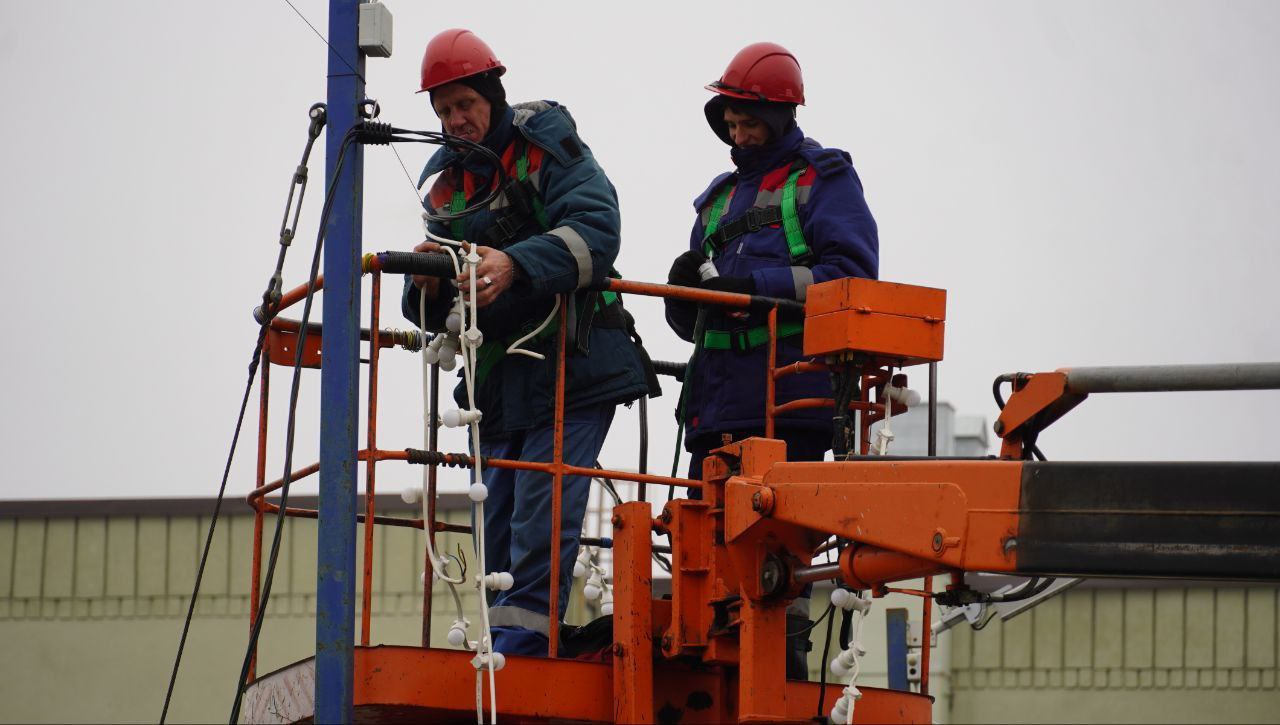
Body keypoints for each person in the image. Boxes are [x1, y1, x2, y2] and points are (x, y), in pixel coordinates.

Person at [403, 28, 652, 656]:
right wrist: (428, 281)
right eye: (443, 111)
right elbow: (432, 307)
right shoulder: (445, 189)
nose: (455, 120)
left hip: (573, 364)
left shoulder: (546, 149)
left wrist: (515, 263)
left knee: (539, 510)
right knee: (503, 517)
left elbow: (597, 230)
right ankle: (512, 639)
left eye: (465, 104)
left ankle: (524, 648)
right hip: (498, 381)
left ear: (493, 95)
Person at [664, 42, 879, 679]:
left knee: (776, 565)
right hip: (714, 407)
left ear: (783, 114)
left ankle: (780, 680)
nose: (738, 130)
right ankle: (717, 676)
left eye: (749, 119)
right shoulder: (715, 200)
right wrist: (685, 298)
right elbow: (695, 312)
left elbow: (850, 275)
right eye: (730, 120)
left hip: (789, 404)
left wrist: (753, 288)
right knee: (706, 560)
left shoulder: (823, 178)